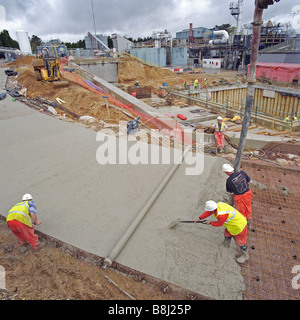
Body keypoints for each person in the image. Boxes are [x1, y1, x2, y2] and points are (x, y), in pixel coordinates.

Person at [222, 164, 253, 229]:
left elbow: (231, 192)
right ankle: (249, 220)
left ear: (226, 172)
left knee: (241, 212)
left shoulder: (229, 181)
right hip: (248, 194)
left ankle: (243, 225)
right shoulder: (242, 172)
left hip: (239, 198)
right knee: (248, 207)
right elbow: (250, 181)